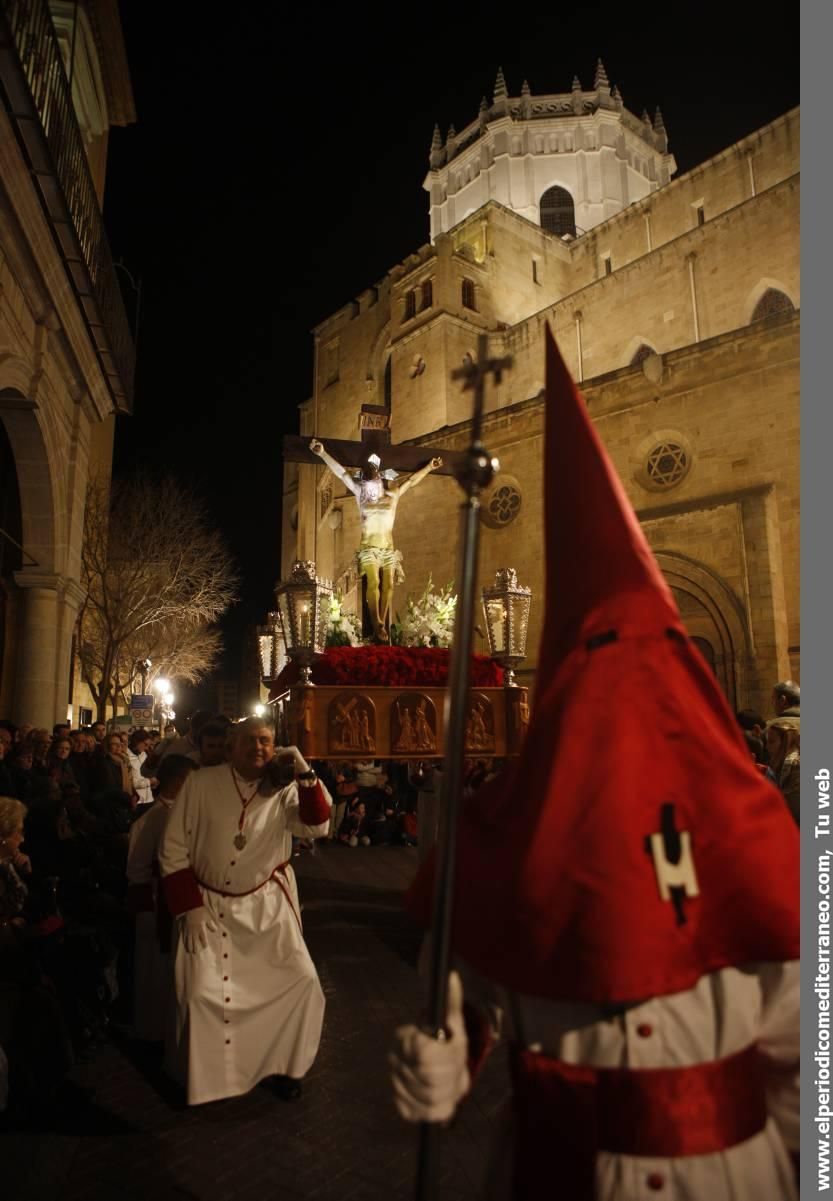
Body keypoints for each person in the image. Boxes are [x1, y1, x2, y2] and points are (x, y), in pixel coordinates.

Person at [390, 329, 799, 1200]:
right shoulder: (500, 851)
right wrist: (440, 1064)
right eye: (597, 661)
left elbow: (804, 1060)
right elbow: (462, 1010)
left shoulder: (753, 839)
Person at [158, 717, 332, 1105]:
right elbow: (172, 848)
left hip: (265, 909)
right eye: (251, 741)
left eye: (267, 742)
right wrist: (190, 907)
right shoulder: (202, 783)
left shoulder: (285, 789)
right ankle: (210, 1077)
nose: (259, 748)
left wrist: (303, 771)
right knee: (202, 997)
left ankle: (283, 1067)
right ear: (232, 747)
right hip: (208, 905)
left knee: (301, 984)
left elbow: (317, 825)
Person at [310, 437, 442, 642]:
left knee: (388, 586)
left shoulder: (393, 495)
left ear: (380, 480)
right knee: (374, 582)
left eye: (374, 481)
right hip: (369, 548)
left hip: (388, 549)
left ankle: (381, 623)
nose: (371, 487)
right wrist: (322, 453)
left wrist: (429, 467)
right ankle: (378, 622)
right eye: (368, 482)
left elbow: (411, 481)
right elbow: (342, 474)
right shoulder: (360, 493)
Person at [127, 755, 198, 1042]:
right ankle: (154, 1029)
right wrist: (146, 912)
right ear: (179, 782)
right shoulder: (152, 819)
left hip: (179, 902)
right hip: (159, 905)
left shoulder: (183, 813)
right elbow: (138, 867)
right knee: (156, 971)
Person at [765, 717, 800, 825]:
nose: (767, 747)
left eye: (771, 742)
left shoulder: (795, 766)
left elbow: (794, 807)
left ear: (786, 742)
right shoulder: (777, 766)